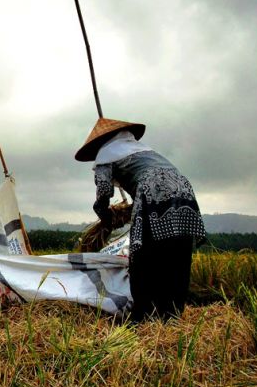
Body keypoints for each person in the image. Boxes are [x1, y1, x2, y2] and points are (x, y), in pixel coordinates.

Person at [75, 118, 206, 321]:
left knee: (145, 255)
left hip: (151, 192)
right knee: (176, 252)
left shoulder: (105, 156)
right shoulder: (145, 151)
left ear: (100, 143)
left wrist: (105, 216)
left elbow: (103, 192)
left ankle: (143, 314)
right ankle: (172, 314)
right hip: (184, 190)